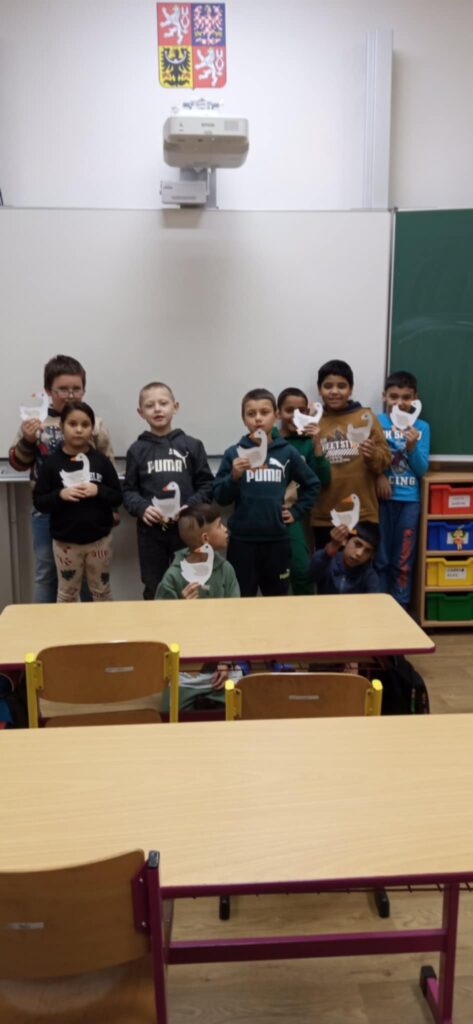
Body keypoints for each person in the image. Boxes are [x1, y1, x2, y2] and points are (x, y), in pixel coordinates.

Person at [9, 354, 113, 602]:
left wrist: (112, 508)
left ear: (83, 390)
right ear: (48, 391)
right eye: (63, 389)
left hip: (89, 509)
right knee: (47, 573)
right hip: (46, 510)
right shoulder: (34, 423)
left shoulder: (93, 423)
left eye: (76, 389)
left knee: (90, 577)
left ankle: (89, 624)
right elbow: (18, 463)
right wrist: (28, 440)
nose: (70, 395)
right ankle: (45, 625)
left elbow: (108, 468)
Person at [213, 388, 320, 596]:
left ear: (276, 415)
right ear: (243, 419)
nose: (258, 419)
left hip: (277, 540)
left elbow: (312, 484)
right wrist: (233, 477)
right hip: (242, 542)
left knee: (277, 599)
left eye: (264, 412)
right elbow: (220, 497)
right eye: (251, 414)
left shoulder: (287, 452)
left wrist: (296, 512)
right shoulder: (234, 453)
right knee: (241, 599)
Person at [123, 381, 214, 599]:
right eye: (150, 405)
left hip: (188, 531)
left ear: (175, 407)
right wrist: (142, 508)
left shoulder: (192, 446)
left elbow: (207, 485)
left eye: (163, 403)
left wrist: (190, 507)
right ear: (140, 412)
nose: (157, 409)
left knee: (191, 584)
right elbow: (128, 491)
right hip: (151, 534)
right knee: (155, 586)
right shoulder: (136, 450)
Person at [156, 503, 241, 712]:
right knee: (166, 710)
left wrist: (225, 662)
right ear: (205, 539)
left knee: (240, 699)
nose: (226, 530)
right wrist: (182, 611)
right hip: (186, 667)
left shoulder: (226, 570)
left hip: (221, 663)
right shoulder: (173, 577)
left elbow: (235, 621)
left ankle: (210, 697)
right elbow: (161, 628)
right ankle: (201, 697)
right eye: (220, 526)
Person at [33, 402, 122, 601]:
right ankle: (68, 623)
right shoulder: (51, 464)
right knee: (67, 593)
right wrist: (60, 495)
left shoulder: (101, 461)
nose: (79, 429)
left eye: (85, 424)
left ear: (92, 428)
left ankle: (103, 622)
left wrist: (98, 490)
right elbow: (39, 501)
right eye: (73, 424)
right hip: (65, 543)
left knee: (101, 591)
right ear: (61, 426)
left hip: (99, 541)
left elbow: (117, 495)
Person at [310, 359, 391, 549]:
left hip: (363, 513)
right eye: (328, 386)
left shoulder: (366, 417)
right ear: (319, 389)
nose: (334, 391)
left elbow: (385, 459)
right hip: (324, 514)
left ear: (351, 389)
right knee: (326, 563)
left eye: (341, 386)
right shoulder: (313, 421)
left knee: (360, 563)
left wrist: (373, 455)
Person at [376, 370, 430, 608]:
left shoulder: (422, 427)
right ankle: (378, 609)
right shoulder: (378, 422)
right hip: (381, 501)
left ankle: (401, 610)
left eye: (406, 397)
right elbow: (368, 459)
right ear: (384, 397)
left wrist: (411, 447)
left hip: (409, 502)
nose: (400, 402)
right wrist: (379, 475)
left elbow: (421, 469)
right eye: (394, 396)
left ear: (415, 399)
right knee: (380, 559)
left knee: (403, 561)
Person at [276, 387, 331, 594]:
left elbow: (323, 479)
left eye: (301, 410)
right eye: (289, 410)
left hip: (295, 516)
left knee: (301, 570)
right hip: (267, 515)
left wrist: (317, 443)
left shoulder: (308, 444)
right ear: (278, 413)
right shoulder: (269, 438)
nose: (295, 415)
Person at [308, 520, 380, 595]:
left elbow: (374, 599)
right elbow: (312, 576)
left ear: (371, 555)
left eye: (367, 551)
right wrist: (326, 555)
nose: (359, 553)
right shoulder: (329, 561)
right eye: (357, 544)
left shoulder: (369, 575)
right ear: (345, 540)